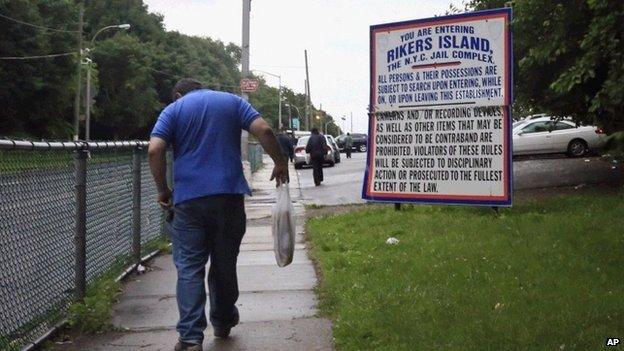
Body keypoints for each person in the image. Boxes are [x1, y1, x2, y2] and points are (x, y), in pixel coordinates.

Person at [148, 78, 288, 351]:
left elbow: (155, 149)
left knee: (189, 267)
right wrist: (280, 162)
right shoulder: (232, 102)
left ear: (178, 94)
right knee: (224, 262)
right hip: (229, 196)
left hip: (189, 201)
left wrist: (163, 190)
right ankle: (223, 322)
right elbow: (265, 130)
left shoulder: (173, 111)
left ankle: (190, 339)